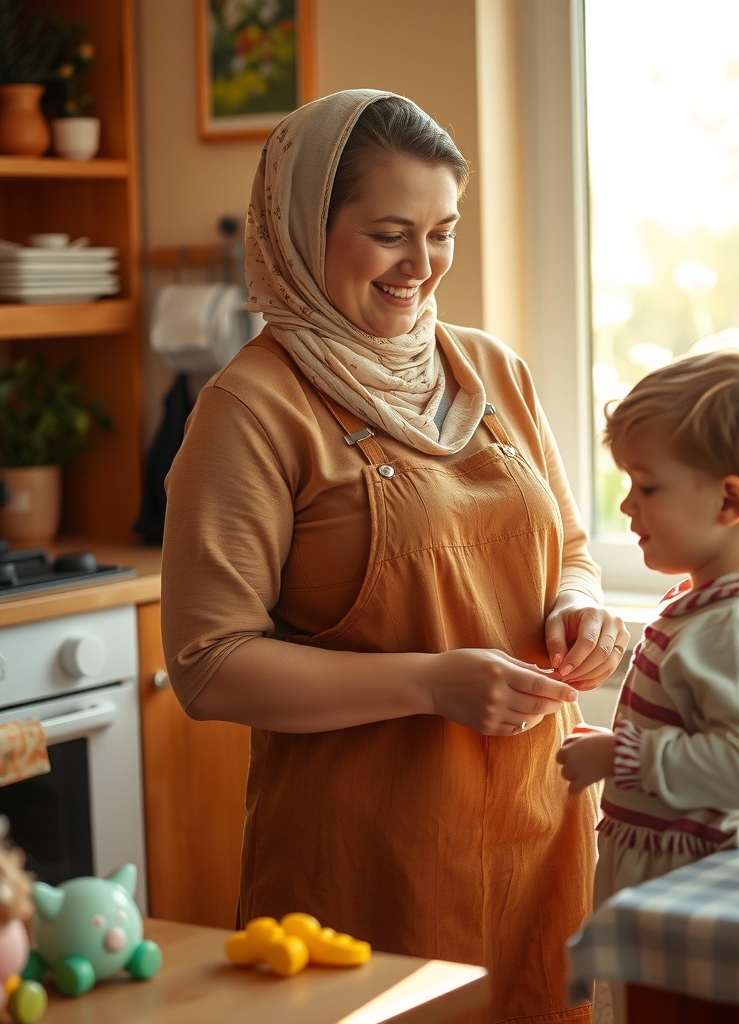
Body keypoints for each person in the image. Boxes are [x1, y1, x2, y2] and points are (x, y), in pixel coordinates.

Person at [161, 89, 629, 1024]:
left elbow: (570, 548)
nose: (422, 266)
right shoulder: (250, 410)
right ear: (304, 229)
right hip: (365, 865)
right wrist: (431, 684)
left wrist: (581, 609)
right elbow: (209, 668)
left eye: (443, 232)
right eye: (389, 233)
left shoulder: (491, 371)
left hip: (535, 832)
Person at [556, 350, 739, 909]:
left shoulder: (735, 626)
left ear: (729, 501)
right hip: (691, 867)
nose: (626, 504)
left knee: (664, 1001)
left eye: (648, 487)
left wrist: (622, 756)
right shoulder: (721, 604)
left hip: (700, 881)